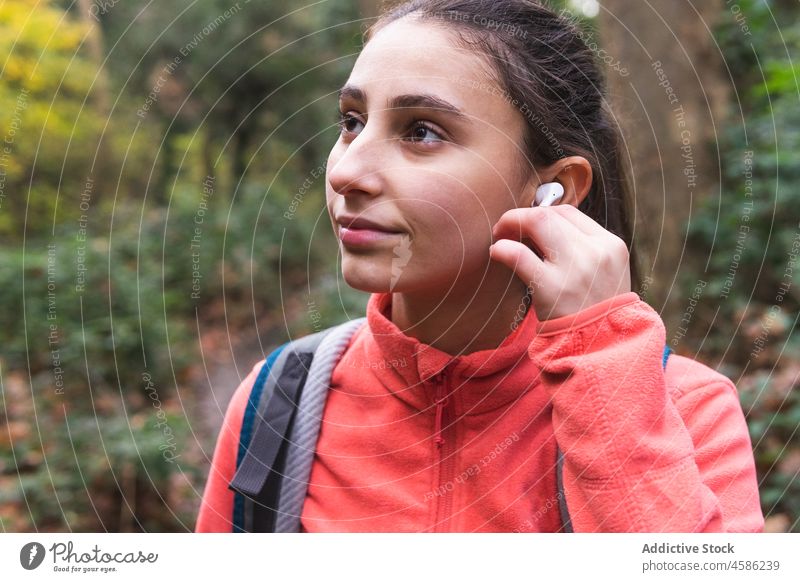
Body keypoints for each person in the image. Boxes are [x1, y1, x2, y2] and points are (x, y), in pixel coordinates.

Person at [196, 0, 764, 532]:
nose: (347, 172)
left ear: (553, 190)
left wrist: (602, 365)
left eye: (421, 132)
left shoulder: (687, 413)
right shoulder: (280, 402)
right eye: (351, 122)